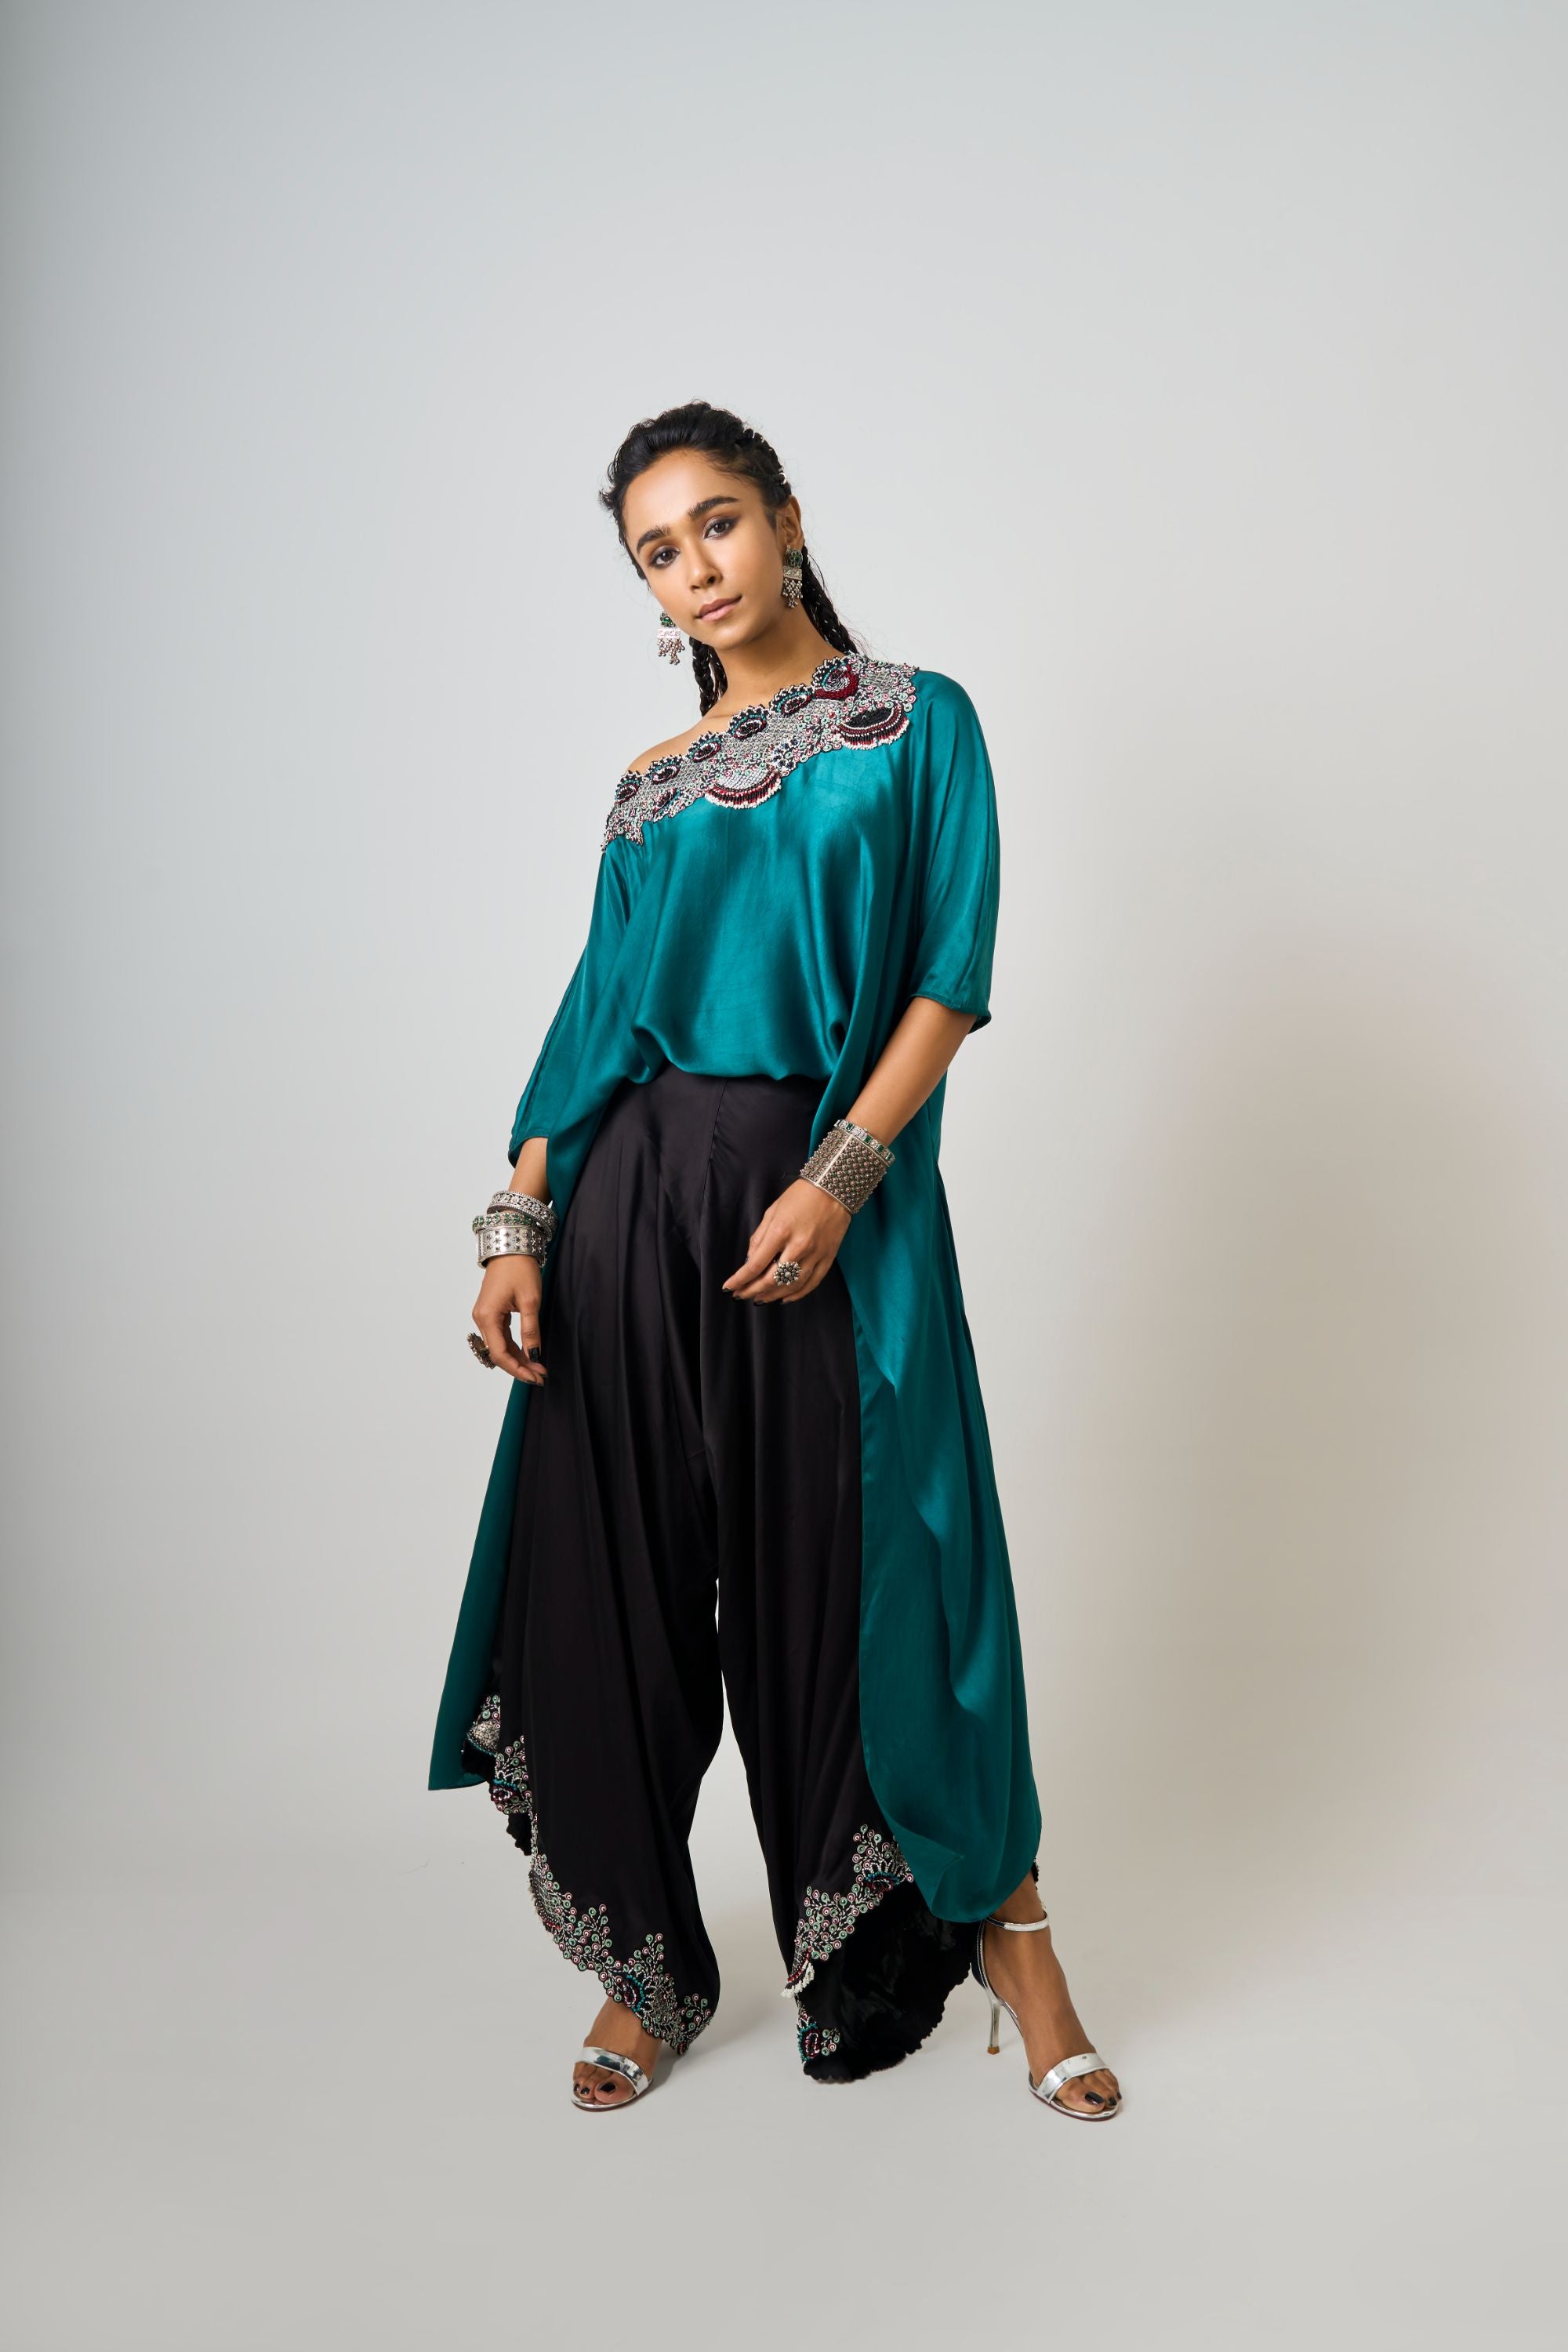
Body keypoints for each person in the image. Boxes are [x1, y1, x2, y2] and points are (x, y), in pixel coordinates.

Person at [427, 401, 1122, 2122]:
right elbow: (596, 1024)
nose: (697, 569)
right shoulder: (649, 789)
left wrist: (839, 1176)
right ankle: (648, 1968)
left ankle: (1003, 1941)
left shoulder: (918, 722)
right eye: (658, 553)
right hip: (632, 1213)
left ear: (789, 519)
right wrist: (520, 1222)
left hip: (825, 1209)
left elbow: (948, 975)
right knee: (628, 1577)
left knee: (879, 1570)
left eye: (719, 524)